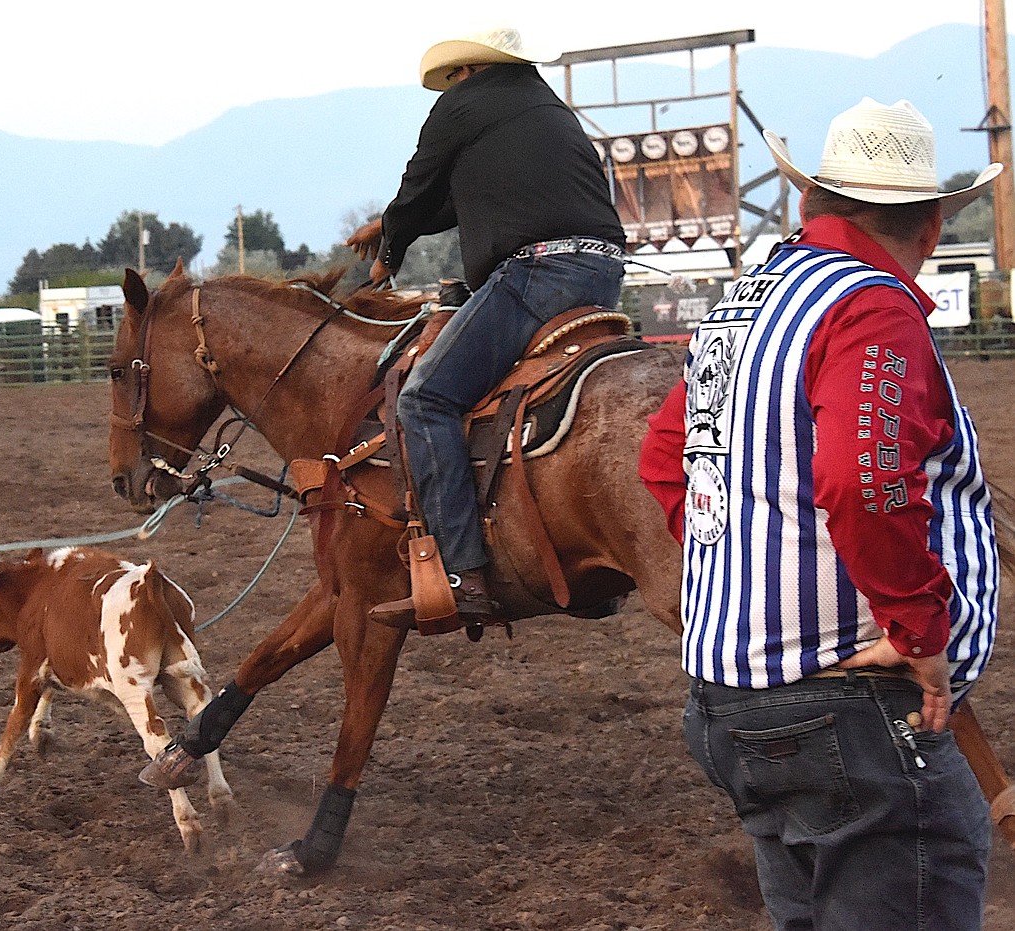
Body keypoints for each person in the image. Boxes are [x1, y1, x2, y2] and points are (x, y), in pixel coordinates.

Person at [639, 97, 1003, 930]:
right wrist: (918, 627)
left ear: (812, 203)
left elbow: (666, 460)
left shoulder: (743, 302)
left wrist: (744, 559)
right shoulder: (871, 305)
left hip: (732, 701)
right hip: (851, 709)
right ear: (934, 227)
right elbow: (863, 480)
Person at [346, 26, 628, 632]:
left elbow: (421, 188)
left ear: (467, 72)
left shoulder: (460, 107)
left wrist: (389, 250)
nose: (450, 88)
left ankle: (462, 571)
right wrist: (393, 225)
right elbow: (460, 196)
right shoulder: (547, 109)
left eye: (453, 78)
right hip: (601, 275)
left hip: (536, 275)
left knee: (426, 400)